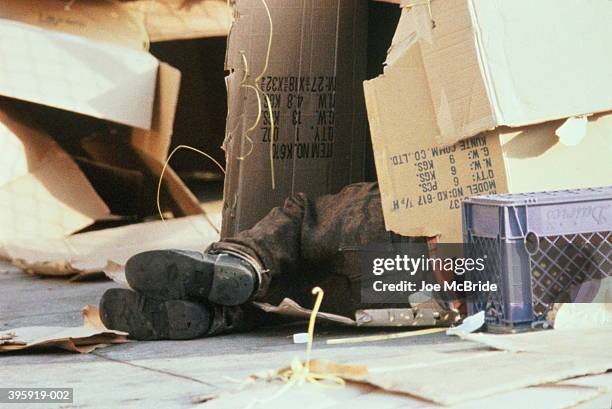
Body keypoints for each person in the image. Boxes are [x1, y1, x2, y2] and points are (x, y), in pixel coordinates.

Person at [100, 182, 419, 340]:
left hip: (400, 224)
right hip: (425, 279)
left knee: (301, 223)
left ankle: (244, 262)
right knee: (300, 305)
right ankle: (221, 313)